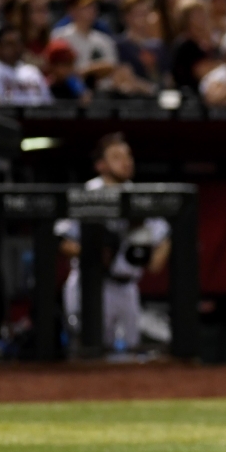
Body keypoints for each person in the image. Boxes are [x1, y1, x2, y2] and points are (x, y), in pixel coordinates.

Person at [55, 133, 171, 350]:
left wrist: (154, 259)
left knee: (131, 352)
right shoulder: (87, 194)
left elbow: (164, 235)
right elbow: (59, 240)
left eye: (128, 156)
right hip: (91, 285)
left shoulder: (137, 196)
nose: (126, 162)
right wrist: (90, 252)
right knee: (88, 351)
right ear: (101, 165)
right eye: (117, 157)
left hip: (127, 288)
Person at [0, 24, 51, 104]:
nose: (16, 47)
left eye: (18, 43)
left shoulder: (33, 72)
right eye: (9, 43)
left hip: (34, 115)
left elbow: (47, 103)